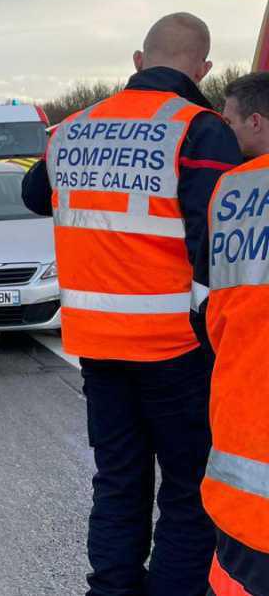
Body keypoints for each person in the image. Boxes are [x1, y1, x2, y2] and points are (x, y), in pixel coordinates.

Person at [22, 12, 244, 595]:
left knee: (119, 480)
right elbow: (215, 242)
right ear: (204, 69)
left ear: (138, 63)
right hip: (177, 348)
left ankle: (113, 589)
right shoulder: (201, 129)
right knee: (188, 488)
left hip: (95, 345)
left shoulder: (72, 129)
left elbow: (33, 194)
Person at [197, 72, 269, 595]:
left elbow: (212, 313)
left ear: (257, 121)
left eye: (230, 119)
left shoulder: (235, 189)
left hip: (247, 442)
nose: (225, 129)